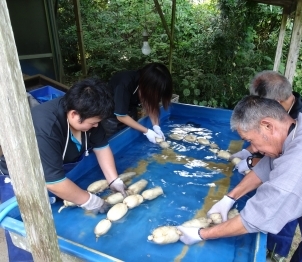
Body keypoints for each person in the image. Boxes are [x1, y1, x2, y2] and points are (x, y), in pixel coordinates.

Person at [176, 96, 302, 261]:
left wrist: (200, 234)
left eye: (250, 140)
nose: (253, 148)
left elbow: (256, 218)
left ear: (268, 126)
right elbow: (268, 166)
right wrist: (230, 198)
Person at [0, 78, 127, 261]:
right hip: (19, 178)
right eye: (93, 123)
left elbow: (101, 147)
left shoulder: (89, 115)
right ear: (74, 114)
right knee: (28, 235)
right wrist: (91, 201)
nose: (96, 126)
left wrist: (114, 180)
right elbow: (54, 182)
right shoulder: (46, 126)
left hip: (53, 174)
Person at [228, 70, 302, 261]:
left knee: (286, 218)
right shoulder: (286, 113)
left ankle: (276, 251)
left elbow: (281, 167)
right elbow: (269, 147)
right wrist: (250, 153)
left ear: (274, 105)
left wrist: (202, 234)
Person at [101, 62, 173, 143]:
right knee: (117, 142)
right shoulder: (124, 83)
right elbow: (121, 116)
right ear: (147, 84)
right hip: (111, 117)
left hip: (130, 110)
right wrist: (147, 131)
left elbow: (149, 104)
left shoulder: (144, 85)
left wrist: (156, 126)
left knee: (132, 139)